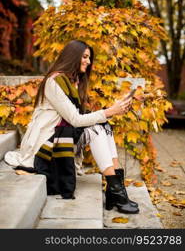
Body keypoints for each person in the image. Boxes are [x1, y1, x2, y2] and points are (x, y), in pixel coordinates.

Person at [4, 40, 139, 214]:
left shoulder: (73, 81)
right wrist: (110, 111)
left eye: (89, 58)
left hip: (61, 135)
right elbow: (75, 119)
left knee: (102, 125)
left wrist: (112, 111)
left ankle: (116, 191)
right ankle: (116, 192)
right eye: (84, 57)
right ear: (72, 56)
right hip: (46, 142)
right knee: (97, 128)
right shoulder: (54, 82)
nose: (88, 62)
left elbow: (81, 118)